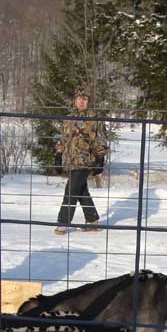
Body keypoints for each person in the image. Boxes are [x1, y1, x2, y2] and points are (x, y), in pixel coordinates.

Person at [54, 87, 108, 235]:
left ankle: (63, 222)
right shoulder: (68, 117)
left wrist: (100, 158)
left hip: (86, 160)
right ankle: (92, 220)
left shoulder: (94, 118)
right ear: (75, 100)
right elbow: (63, 138)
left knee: (71, 190)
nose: (82, 101)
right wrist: (58, 156)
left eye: (85, 99)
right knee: (80, 190)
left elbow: (100, 139)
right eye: (79, 98)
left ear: (88, 101)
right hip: (70, 160)